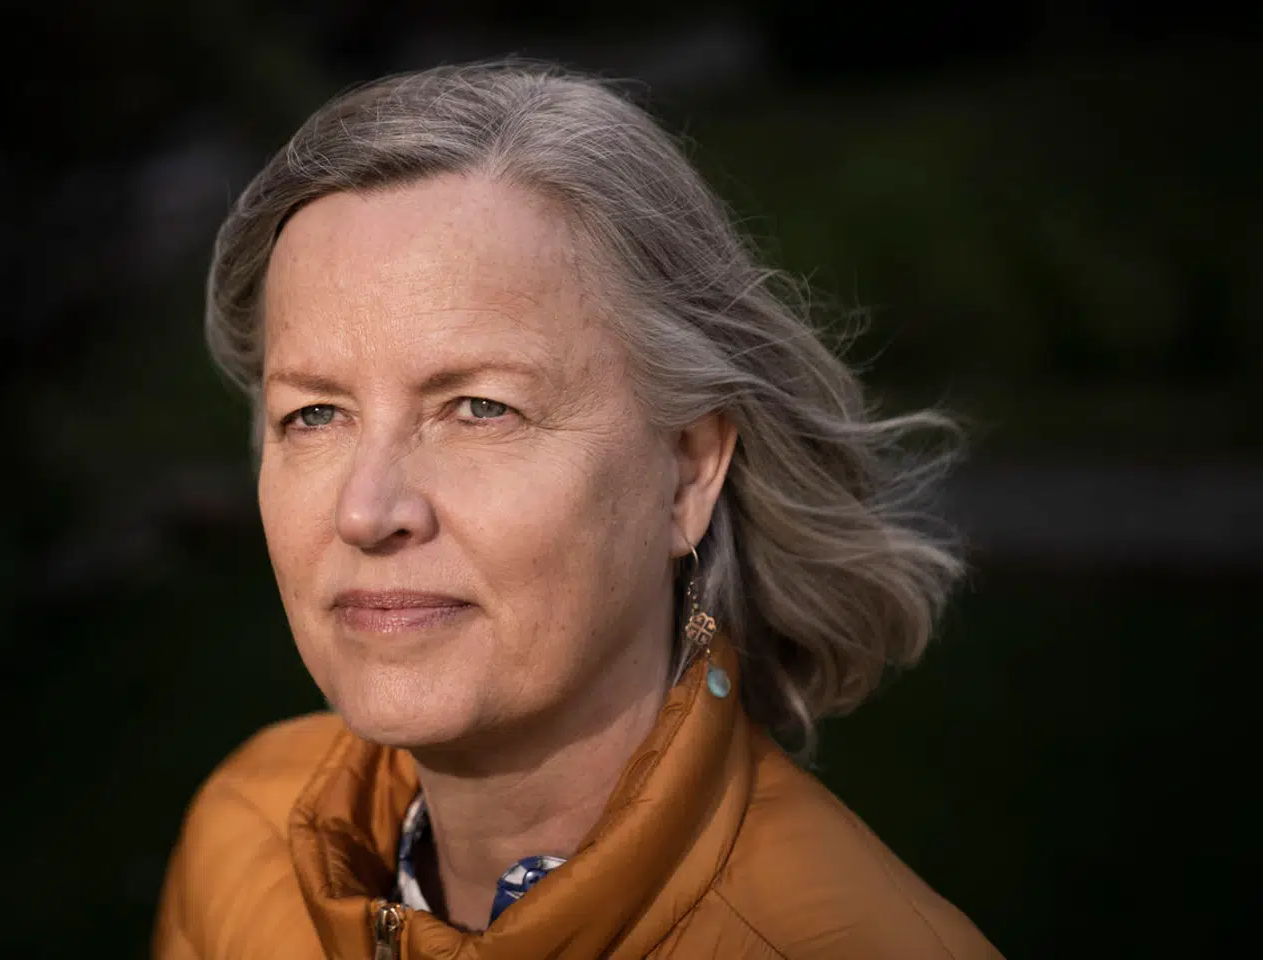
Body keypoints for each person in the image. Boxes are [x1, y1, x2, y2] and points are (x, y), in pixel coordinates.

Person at [154, 60, 1003, 959]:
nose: (367, 512)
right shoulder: (243, 835)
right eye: (315, 414)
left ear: (688, 471)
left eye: (481, 408)